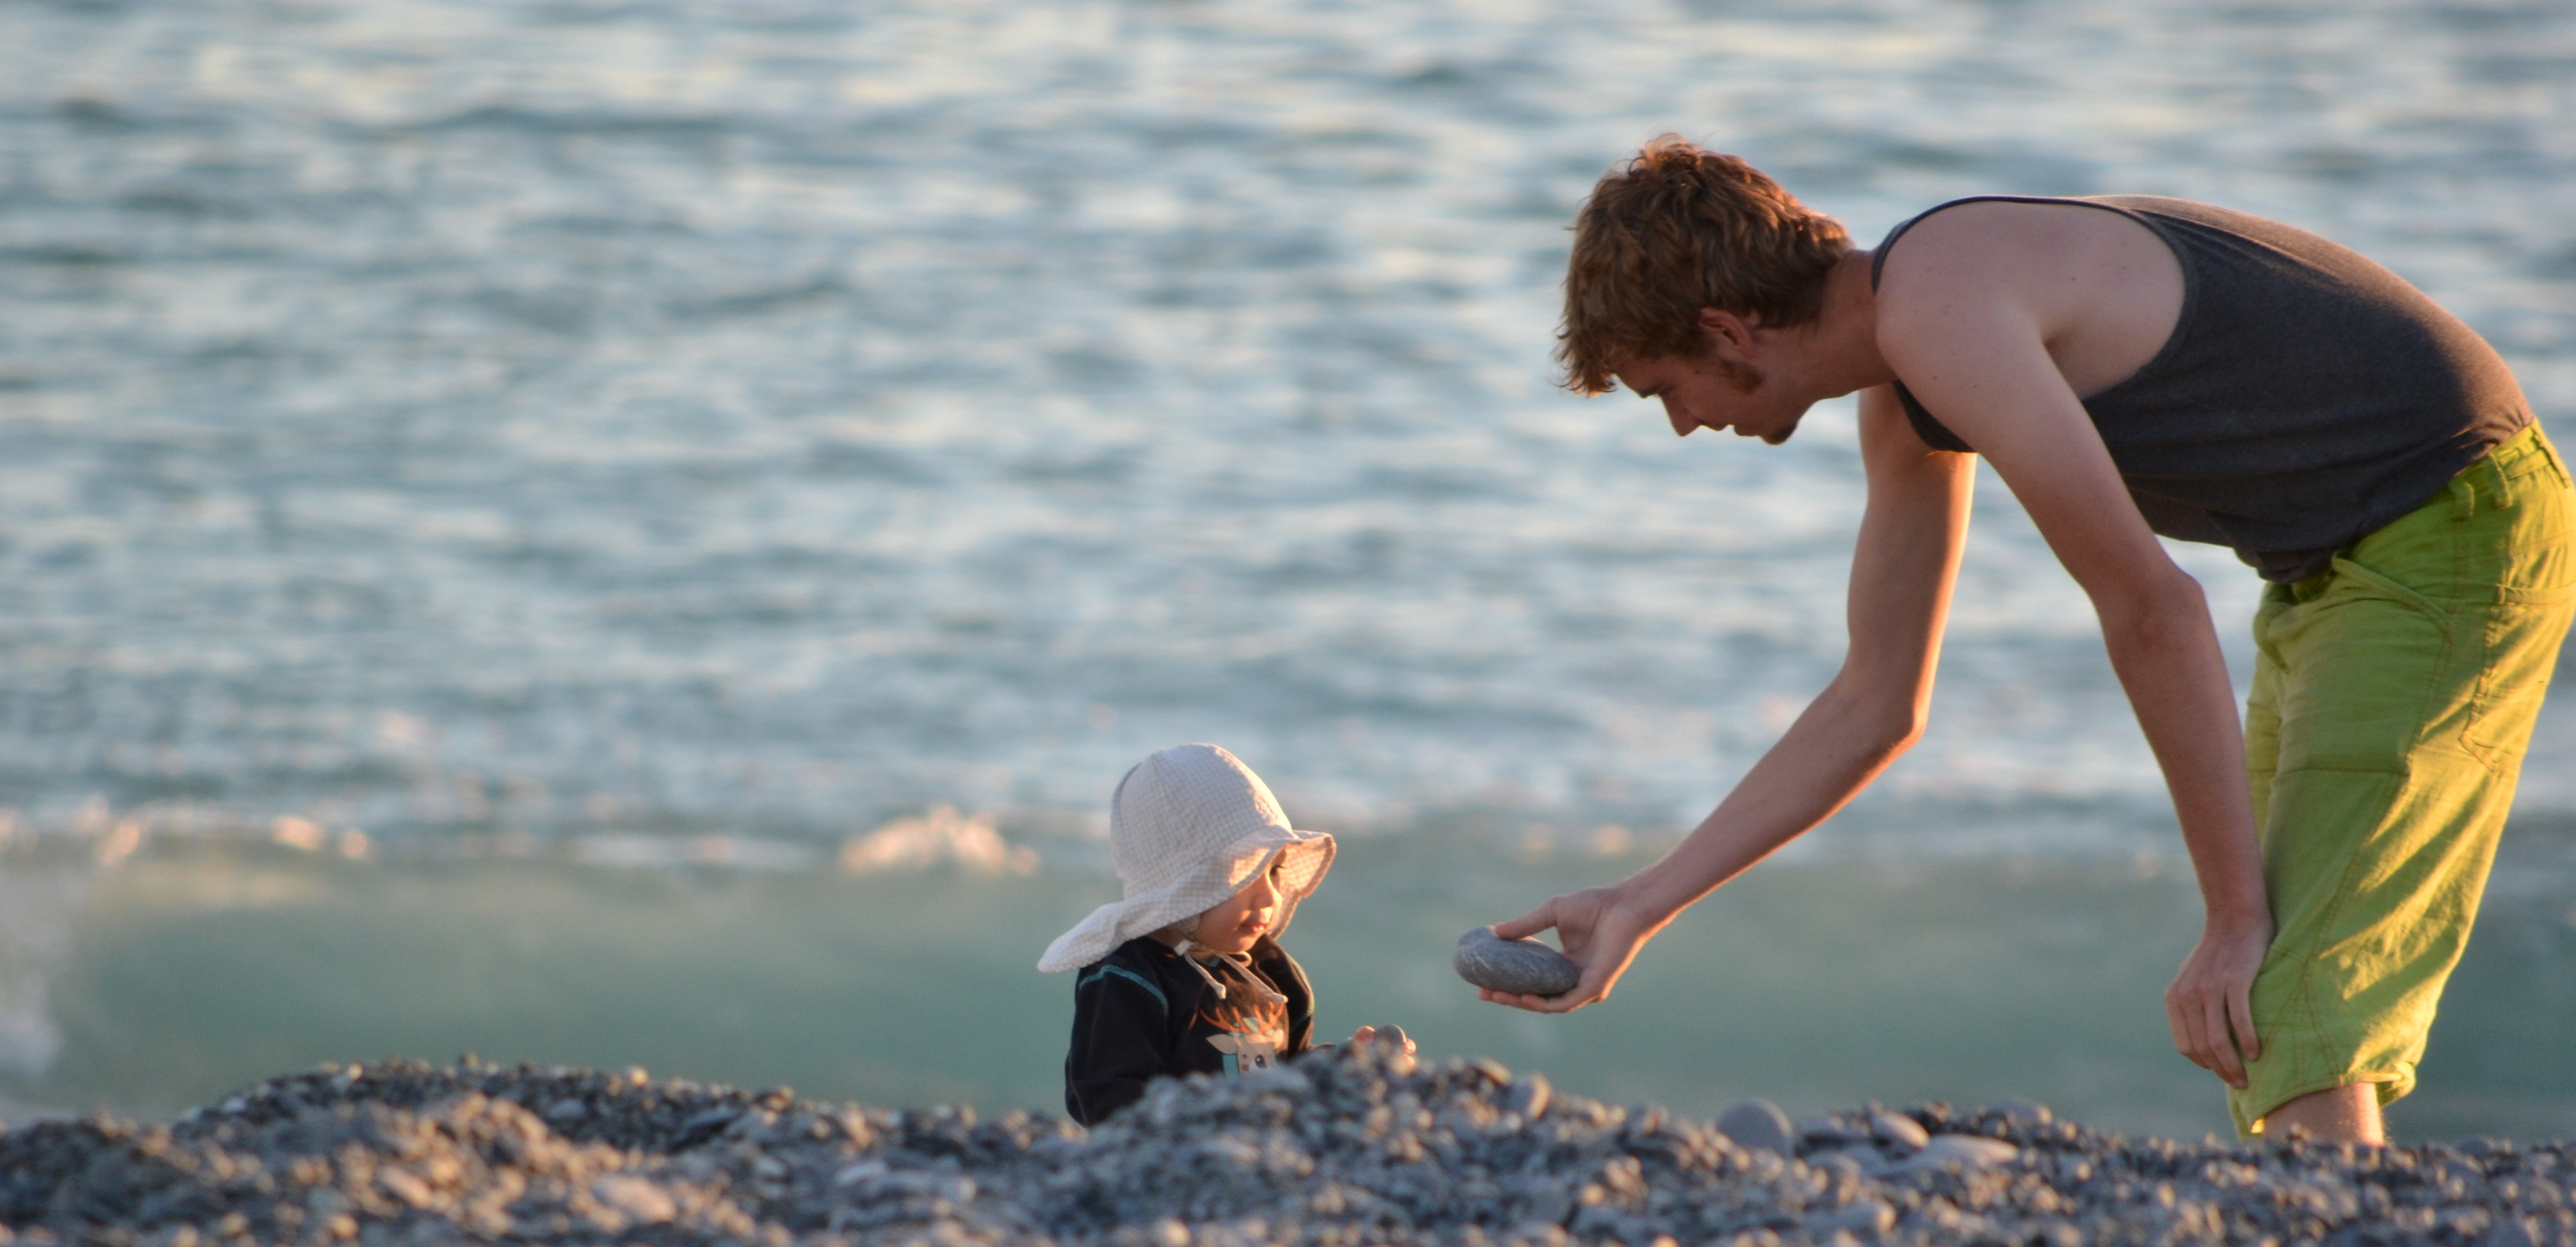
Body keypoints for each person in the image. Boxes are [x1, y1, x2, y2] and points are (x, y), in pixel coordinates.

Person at [1487, 134, 2571, 1144]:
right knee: (2280, 990)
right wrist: (1640, 901)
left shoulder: (1938, 308)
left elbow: (2153, 608)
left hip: (2452, 527)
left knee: (2277, 988)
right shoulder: (1907, 373)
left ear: (1726, 332)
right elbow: (1877, 700)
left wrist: (2229, 915)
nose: (1680, 424)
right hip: (2326, 565)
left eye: (1662, 390)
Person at [1043, 744, 1406, 1124]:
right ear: (1180, 885)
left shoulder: (1271, 973)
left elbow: (1291, 1071)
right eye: (1245, 874)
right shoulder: (1129, 978)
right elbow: (1106, 1100)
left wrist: (1346, 1064)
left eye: (1275, 871)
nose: (1270, 895)